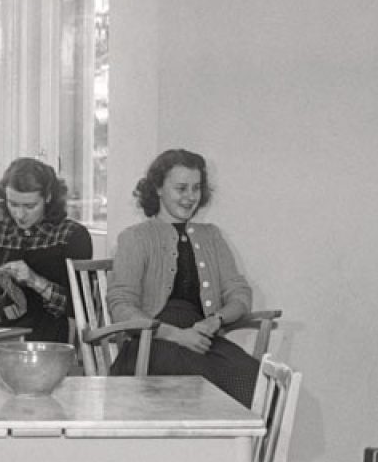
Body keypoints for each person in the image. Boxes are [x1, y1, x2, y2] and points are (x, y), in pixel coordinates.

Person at [108, 148, 262, 407]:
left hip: (201, 337)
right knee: (198, 384)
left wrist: (215, 321)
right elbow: (121, 305)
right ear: (157, 188)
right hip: (153, 342)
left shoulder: (210, 236)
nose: (190, 197)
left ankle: (229, 449)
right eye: (181, 188)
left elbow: (239, 293)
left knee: (257, 382)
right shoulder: (135, 237)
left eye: (196, 188)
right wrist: (175, 335)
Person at [0, 157, 92, 344]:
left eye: (29, 206)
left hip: (47, 335)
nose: (19, 214)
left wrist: (36, 281)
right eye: (13, 204)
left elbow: (80, 307)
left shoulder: (71, 235)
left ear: (48, 197)